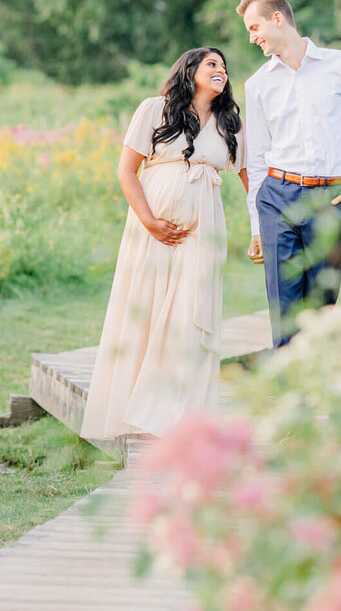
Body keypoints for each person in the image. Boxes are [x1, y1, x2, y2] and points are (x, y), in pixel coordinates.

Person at [81, 47, 250, 441]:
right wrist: (151, 222)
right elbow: (126, 171)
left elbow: (249, 177)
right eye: (212, 64)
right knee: (148, 306)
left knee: (193, 309)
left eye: (224, 67)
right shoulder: (155, 109)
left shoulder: (231, 123)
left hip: (204, 230)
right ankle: (132, 409)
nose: (221, 71)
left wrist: (262, 228)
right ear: (189, 70)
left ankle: (180, 414)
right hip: (152, 228)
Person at [237, 0, 341, 349]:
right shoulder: (257, 85)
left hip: (332, 200)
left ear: (278, 19)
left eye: (255, 28)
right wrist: (256, 223)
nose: (252, 38)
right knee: (284, 308)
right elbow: (256, 158)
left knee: (321, 309)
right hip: (277, 199)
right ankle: (287, 396)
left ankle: (318, 394)